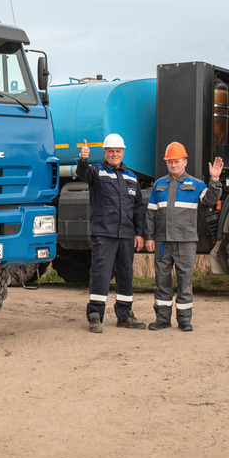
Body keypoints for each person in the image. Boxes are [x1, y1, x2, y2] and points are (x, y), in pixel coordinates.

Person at [144, 142, 223, 332]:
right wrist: (149, 237)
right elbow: (150, 213)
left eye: (176, 161)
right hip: (163, 241)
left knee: (184, 280)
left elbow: (210, 199)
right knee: (162, 281)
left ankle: (184, 320)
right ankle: (162, 319)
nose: (173, 165)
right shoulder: (159, 185)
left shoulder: (196, 185)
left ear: (185, 162)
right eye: (169, 162)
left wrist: (215, 180)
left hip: (185, 241)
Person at [77, 133, 146, 333]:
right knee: (101, 272)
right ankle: (95, 315)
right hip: (104, 233)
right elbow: (83, 173)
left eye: (118, 151)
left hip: (126, 234)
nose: (114, 154)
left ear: (123, 152)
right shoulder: (96, 171)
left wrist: (139, 233)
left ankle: (125, 316)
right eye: (111, 151)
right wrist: (83, 159)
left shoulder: (131, 176)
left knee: (126, 274)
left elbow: (138, 208)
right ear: (105, 152)